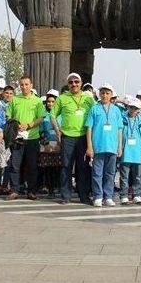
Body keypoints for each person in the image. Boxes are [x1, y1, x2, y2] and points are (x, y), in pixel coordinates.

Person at [50, 73, 95, 204]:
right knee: (66, 167)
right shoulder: (62, 98)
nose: (74, 84)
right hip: (67, 138)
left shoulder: (88, 98)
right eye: (71, 82)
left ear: (81, 83)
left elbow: (95, 115)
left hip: (83, 137)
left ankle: (84, 196)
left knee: (84, 167)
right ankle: (65, 196)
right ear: (68, 84)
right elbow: (52, 115)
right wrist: (58, 132)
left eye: (76, 82)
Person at [5, 75, 46, 200]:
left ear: (31, 85)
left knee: (32, 166)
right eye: (22, 84)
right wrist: (15, 124)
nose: (24, 87)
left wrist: (28, 125)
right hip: (18, 137)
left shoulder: (37, 101)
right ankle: (14, 190)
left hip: (32, 137)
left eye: (26, 84)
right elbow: (8, 116)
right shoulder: (14, 99)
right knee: (15, 164)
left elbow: (41, 118)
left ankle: (31, 191)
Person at [85, 83, 124, 207]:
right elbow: (89, 128)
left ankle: (108, 196)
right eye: (102, 93)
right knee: (97, 173)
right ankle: (98, 196)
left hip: (112, 147)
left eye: (107, 93)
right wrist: (89, 146)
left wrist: (119, 147)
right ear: (99, 94)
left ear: (111, 95)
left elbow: (120, 129)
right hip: (98, 146)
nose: (105, 95)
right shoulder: (94, 108)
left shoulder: (116, 110)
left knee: (110, 173)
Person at [119, 98, 141, 205]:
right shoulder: (122, 118)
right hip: (125, 151)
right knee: (124, 175)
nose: (133, 110)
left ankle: (136, 195)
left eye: (135, 108)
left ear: (139, 110)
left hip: (137, 152)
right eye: (131, 107)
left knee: (137, 176)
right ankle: (124, 195)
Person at [39, 90, 62, 197]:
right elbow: (41, 131)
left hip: (59, 144)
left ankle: (58, 187)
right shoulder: (43, 115)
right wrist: (45, 142)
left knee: (58, 168)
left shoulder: (61, 115)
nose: (51, 104)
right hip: (47, 145)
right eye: (49, 102)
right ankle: (49, 188)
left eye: (53, 102)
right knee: (47, 168)